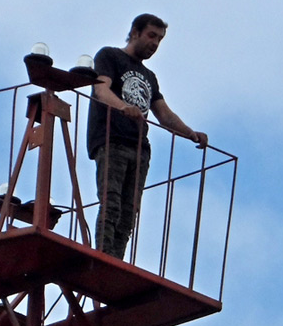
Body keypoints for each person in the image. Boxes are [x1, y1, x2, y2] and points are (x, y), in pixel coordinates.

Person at [86, 13, 208, 259]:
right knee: (111, 203)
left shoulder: (150, 77)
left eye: (159, 39)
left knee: (129, 213)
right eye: (152, 36)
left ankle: (115, 260)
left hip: (140, 148)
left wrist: (191, 134)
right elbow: (100, 90)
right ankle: (103, 256)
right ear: (135, 32)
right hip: (112, 140)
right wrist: (123, 107)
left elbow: (164, 114)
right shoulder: (110, 56)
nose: (155, 43)